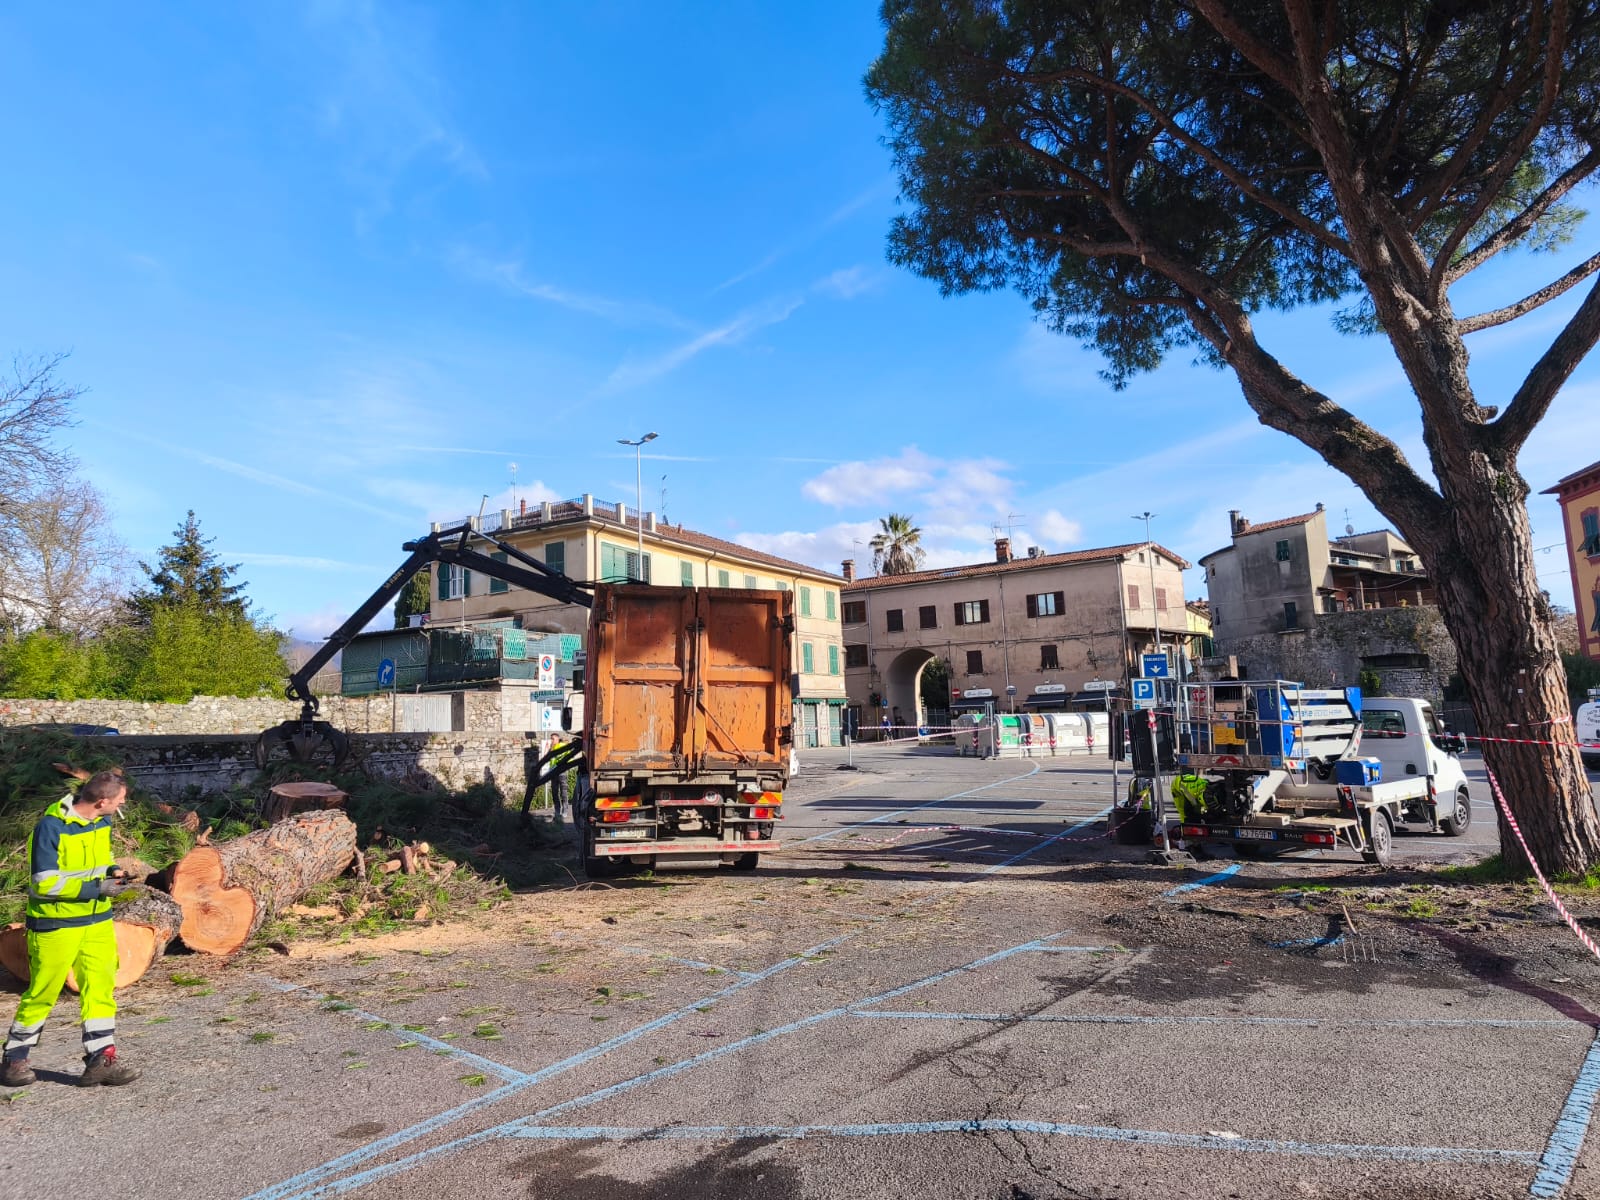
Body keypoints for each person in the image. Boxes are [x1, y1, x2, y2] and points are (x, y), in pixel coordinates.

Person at [3, 770, 140, 1088]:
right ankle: (14, 1060)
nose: (122, 805)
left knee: (100, 992)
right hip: (56, 925)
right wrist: (98, 889)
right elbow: (44, 883)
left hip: (97, 923)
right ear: (102, 801)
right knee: (42, 994)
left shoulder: (101, 822)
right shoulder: (51, 827)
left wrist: (112, 870)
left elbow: (97, 861)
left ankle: (101, 1060)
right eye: (119, 801)